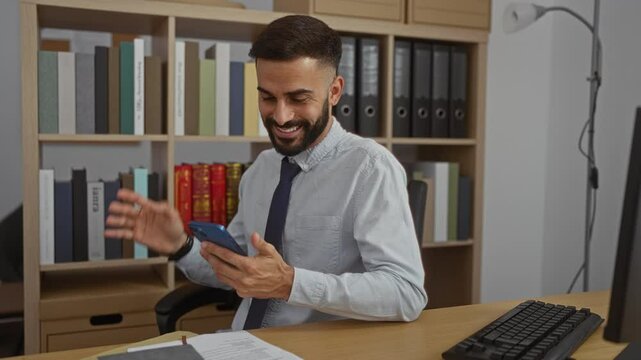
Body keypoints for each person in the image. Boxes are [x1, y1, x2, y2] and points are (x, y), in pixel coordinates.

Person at [105, 15, 427, 331]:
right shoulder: (261, 170)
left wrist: (290, 283)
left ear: (334, 92)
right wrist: (180, 245)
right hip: (242, 345)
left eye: (298, 98)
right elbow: (237, 270)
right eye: (267, 97)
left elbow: (405, 294)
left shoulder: (370, 169)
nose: (281, 117)